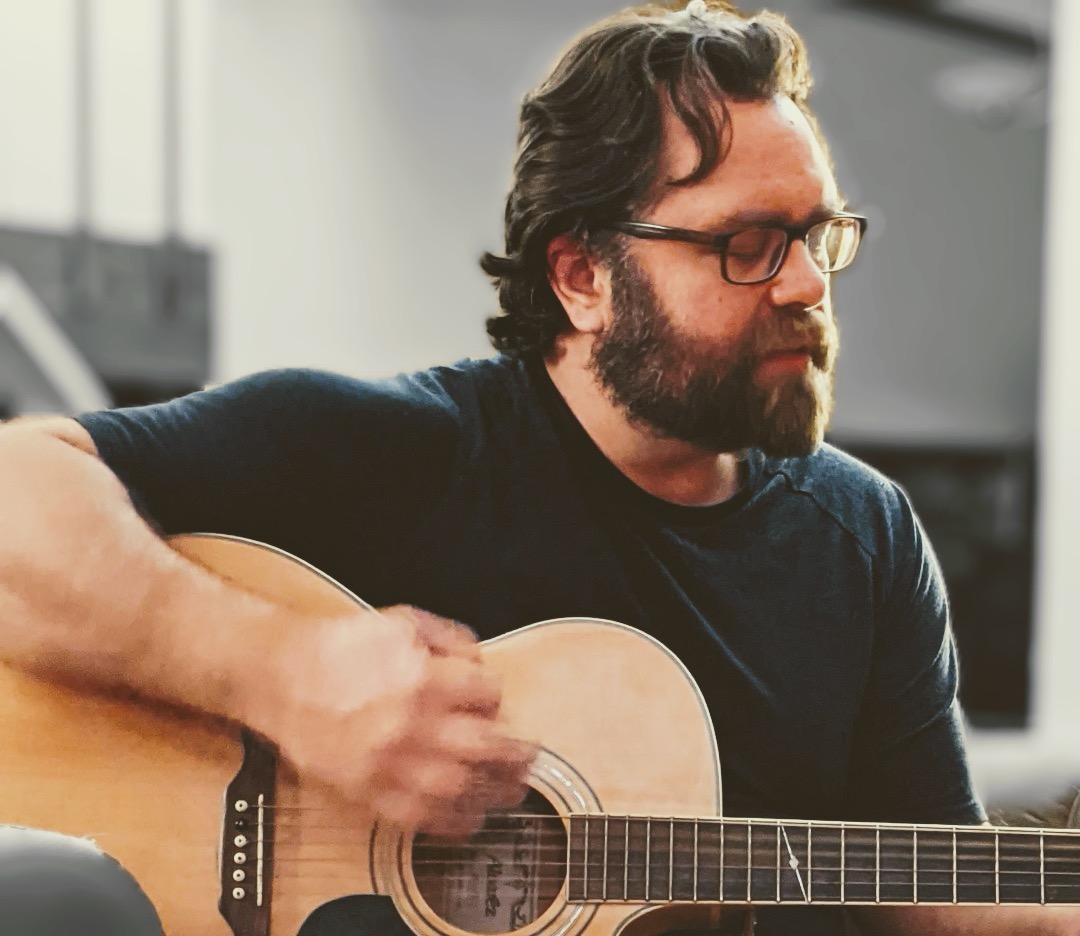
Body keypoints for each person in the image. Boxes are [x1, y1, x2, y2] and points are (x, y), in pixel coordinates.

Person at [0, 1, 1075, 935]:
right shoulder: (390, 452)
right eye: (749, 243)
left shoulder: (865, 539)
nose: (805, 284)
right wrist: (283, 678)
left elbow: (928, 891)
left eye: (818, 236)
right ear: (580, 276)